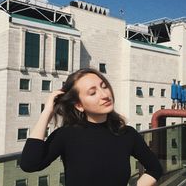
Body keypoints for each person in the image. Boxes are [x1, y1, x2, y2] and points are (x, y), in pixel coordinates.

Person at [20, 68, 163, 186]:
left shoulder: (127, 133)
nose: (104, 95)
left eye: (104, 86)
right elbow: (30, 164)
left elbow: (155, 168)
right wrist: (47, 112)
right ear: (79, 105)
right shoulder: (66, 135)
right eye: (93, 93)